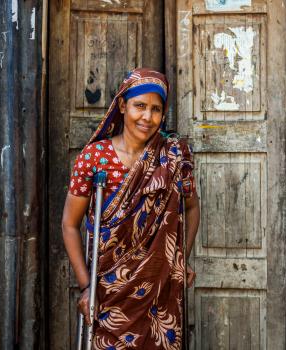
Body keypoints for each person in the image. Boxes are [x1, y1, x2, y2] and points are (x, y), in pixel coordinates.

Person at [61, 68, 200, 349]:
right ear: (122, 105)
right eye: (139, 106)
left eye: (156, 109)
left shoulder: (173, 156)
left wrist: (179, 259)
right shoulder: (95, 158)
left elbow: (192, 208)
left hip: (159, 287)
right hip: (109, 288)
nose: (147, 117)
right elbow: (69, 224)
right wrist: (86, 285)